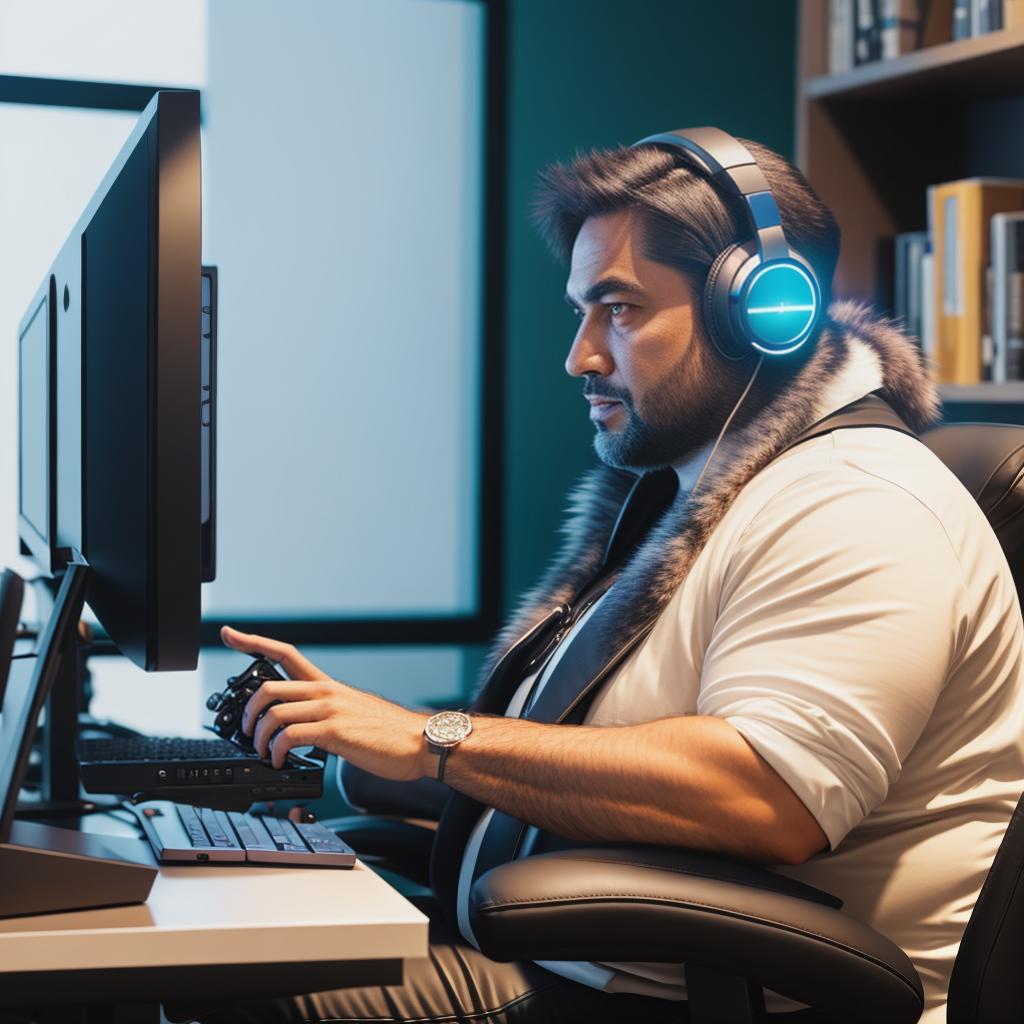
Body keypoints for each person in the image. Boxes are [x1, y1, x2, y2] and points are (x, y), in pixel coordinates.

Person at [191, 132, 1024, 1023]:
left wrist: (434, 739)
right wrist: (360, 747)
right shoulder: (704, 492)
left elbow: (765, 795)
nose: (580, 355)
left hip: (713, 1003)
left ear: (763, 310)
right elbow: (589, 757)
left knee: (220, 979)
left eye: (618, 310)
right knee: (221, 941)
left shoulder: (856, 503)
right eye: (582, 312)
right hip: (598, 968)